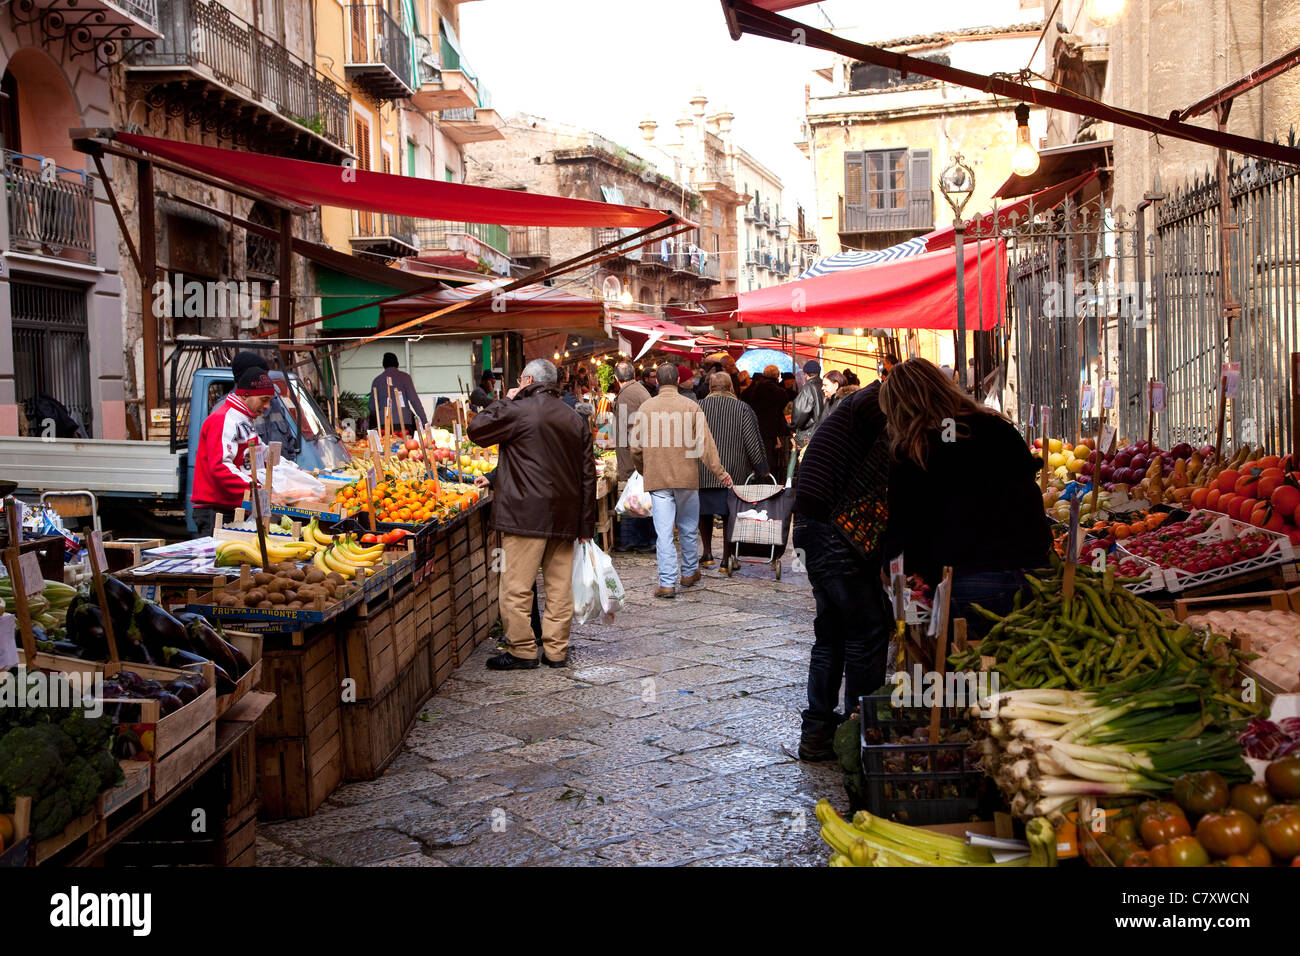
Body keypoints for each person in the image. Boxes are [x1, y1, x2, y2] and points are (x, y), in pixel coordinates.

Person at [880, 358, 1051, 639]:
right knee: (1022, 671)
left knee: (972, 675)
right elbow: (1027, 485)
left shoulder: (915, 449)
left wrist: (894, 571)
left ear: (900, 407)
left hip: (969, 579)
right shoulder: (996, 427)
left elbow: (905, 528)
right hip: (1035, 572)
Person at [467, 358, 595, 669]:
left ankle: (523, 650)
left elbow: (476, 430)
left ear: (526, 380)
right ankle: (556, 651)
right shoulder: (574, 417)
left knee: (515, 588)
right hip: (564, 515)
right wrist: (586, 525)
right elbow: (587, 474)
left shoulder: (517, 409)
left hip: (524, 515)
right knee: (559, 588)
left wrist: (506, 400)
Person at [791, 376, 893, 762]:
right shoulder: (873, 404)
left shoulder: (860, 407)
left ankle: (818, 733)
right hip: (830, 531)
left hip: (815, 528)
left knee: (832, 631)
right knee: (867, 630)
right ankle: (859, 736)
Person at [630, 364, 731, 598]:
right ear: (677, 380)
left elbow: (635, 447)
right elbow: (706, 446)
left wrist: (644, 469)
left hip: (658, 477)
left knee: (664, 533)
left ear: (657, 382)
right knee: (687, 527)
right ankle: (689, 572)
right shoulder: (691, 407)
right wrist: (721, 474)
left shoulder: (645, 408)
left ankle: (666, 583)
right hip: (686, 477)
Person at [697, 372, 770, 573]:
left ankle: (708, 553)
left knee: (704, 513)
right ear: (731, 388)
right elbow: (752, 443)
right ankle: (728, 557)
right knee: (731, 514)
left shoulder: (698, 407)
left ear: (710, 388)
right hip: (734, 473)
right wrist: (762, 469)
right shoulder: (742, 409)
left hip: (703, 470)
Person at [191, 365, 276, 538]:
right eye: (264, 399)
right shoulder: (224, 419)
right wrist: (256, 490)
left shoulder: (245, 420)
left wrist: (296, 474)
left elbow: (261, 456)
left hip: (233, 507)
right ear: (246, 395)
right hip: (217, 510)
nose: (267, 406)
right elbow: (221, 466)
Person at [611, 361, 655, 553]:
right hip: (640, 453)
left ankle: (639, 540)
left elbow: (628, 431)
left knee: (635, 499)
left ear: (616, 378)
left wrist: (633, 459)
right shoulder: (637, 389)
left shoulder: (626, 395)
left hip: (635, 457)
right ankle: (643, 539)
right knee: (640, 499)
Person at [742, 364, 790, 476]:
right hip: (771, 428)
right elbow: (784, 401)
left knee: (755, 453)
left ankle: (756, 476)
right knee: (770, 455)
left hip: (753, 426)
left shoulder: (753, 388)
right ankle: (769, 478)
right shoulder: (778, 391)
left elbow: (744, 397)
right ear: (776, 375)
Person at [369, 352, 427, 434]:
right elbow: (414, 400)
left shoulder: (377, 380)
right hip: (404, 421)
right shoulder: (405, 377)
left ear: (383, 365)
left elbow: (372, 407)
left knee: (387, 446)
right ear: (397, 364)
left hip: (384, 423)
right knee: (405, 446)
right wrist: (424, 421)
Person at [791, 360, 825, 450]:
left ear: (806, 374)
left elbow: (800, 412)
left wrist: (793, 425)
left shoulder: (808, 387)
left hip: (809, 434)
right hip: (822, 432)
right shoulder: (824, 385)